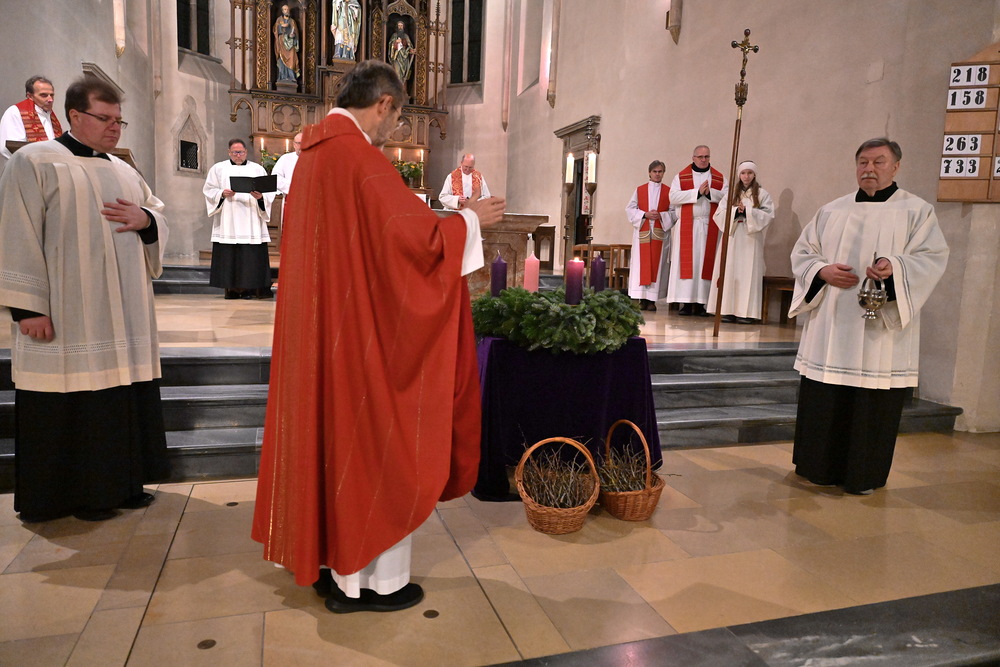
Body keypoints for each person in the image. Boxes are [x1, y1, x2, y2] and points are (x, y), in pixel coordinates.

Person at [250, 60, 506, 614]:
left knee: (329, 439)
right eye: (398, 116)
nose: (395, 129)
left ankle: (328, 567)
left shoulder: (311, 156)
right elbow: (413, 243)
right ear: (384, 104)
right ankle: (368, 583)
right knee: (373, 442)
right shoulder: (359, 160)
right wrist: (470, 222)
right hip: (360, 339)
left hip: (325, 334)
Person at [0, 76, 169, 523]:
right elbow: (16, 232)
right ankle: (64, 498)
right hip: (67, 312)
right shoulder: (35, 161)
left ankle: (120, 487)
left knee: (118, 399)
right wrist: (28, 308)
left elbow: (156, 213)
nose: (115, 127)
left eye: (119, 120)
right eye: (105, 118)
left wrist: (146, 219)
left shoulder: (124, 170)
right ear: (75, 116)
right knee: (71, 402)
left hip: (124, 313)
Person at [788, 138, 948, 495]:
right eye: (863, 162)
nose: (869, 169)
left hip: (879, 330)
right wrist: (822, 271)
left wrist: (896, 267)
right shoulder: (832, 210)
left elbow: (931, 258)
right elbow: (803, 252)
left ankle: (863, 475)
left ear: (896, 166)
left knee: (870, 401)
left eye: (879, 161)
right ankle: (817, 467)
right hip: (831, 325)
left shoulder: (916, 211)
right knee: (825, 395)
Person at [203, 138, 276, 299]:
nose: (238, 155)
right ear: (229, 152)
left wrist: (261, 197)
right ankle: (232, 289)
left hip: (252, 220)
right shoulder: (218, 169)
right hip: (228, 219)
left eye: (241, 152)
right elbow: (209, 190)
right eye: (235, 152)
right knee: (230, 255)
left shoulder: (257, 169)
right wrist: (222, 193)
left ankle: (251, 289)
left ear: (246, 152)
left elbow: (269, 192)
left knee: (250, 256)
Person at [707, 160, 774, 323]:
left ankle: (746, 313)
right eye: (743, 173)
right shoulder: (731, 194)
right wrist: (736, 211)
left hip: (751, 238)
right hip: (733, 236)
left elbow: (768, 215)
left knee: (748, 273)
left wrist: (748, 212)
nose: (746, 176)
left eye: (749, 173)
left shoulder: (762, 194)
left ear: (754, 175)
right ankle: (727, 310)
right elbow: (718, 214)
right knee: (730, 271)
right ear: (739, 175)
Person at [668, 145, 727, 316]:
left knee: (704, 263)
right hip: (688, 225)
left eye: (706, 156)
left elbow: (727, 196)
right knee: (688, 264)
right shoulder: (681, 177)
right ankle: (686, 303)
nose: (703, 160)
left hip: (709, 226)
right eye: (700, 156)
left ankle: (703, 303)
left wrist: (709, 193)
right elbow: (673, 197)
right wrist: (697, 193)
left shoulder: (719, 177)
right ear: (693, 158)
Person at [625, 160, 675, 311]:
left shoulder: (669, 191)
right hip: (643, 230)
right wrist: (644, 214)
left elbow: (674, 212)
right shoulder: (640, 190)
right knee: (642, 264)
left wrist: (661, 215)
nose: (657, 174)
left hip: (660, 232)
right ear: (649, 173)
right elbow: (630, 209)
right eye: (655, 171)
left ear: (663, 173)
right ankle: (641, 299)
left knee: (657, 264)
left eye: (660, 171)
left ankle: (652, 300)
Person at [0, 76, 63, 168]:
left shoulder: (50, 116)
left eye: (52, 95)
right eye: (44, 95)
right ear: (30, 96)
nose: (50, 100)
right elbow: (6, 148)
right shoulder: (15, 112)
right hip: (24, 170)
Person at [273, 4, 300, 83]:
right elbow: (275, 30)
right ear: (282, 11)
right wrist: (281, 26)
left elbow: (296, 33)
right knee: (281, 59)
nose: (287, 11)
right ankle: (282, 76)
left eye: (288, 9)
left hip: (290, 44)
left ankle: (292, 76)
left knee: (292, 58)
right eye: (285, 9)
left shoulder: (292, 21)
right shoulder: (279, 20)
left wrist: (293, 35)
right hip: (282, 42)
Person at [272, 132, 302, 197]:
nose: (302, 146)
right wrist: (293, 186)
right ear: (294, 144)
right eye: (299, 143)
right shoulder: (285, 158)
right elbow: (276, 178)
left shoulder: (315, 159)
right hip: (290, 196)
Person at [388, 20, 414, 88]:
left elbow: (410, 45)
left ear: (403, 27)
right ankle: (397, 89)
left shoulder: (406, 36)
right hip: (396, 57)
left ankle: (403, 89)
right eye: (399, 26)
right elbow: (390, 45)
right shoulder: (394, 35)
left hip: (404, 58)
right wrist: (395, 42)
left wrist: (410, 50)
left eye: (401, 26)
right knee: (397, 73)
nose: (400, 27)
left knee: (404, 75)